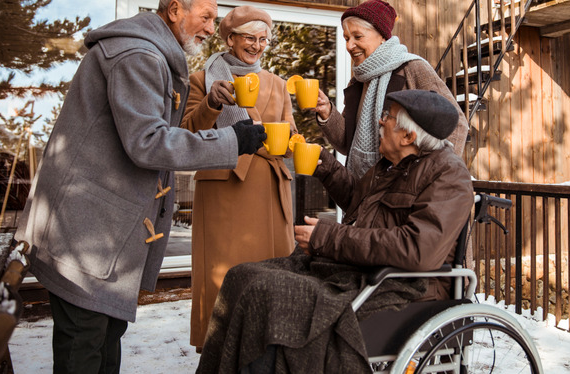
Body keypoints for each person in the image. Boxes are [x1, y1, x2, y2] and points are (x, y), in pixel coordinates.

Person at [14, 0, 267, 374]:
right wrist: (232, 142)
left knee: (103, 340)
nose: (210, 26)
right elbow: (148, 142)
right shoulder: (139, 56)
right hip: (87, 236)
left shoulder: (150, 53)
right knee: (86, 345)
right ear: (174, 9)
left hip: (100, 235)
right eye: (205, 16)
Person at [197, 90, 474, 374]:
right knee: (241, 276)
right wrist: (326, 166)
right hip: (360, 271)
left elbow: (419, 249)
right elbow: (359, 201)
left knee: (268, 294)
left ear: (408, 136)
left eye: (387, 117)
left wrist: (328, 238)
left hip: (403, 287)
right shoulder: (391, 166)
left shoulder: (448, 174)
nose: (380, 122)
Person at [181, 5, 297, 351]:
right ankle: (220, 350)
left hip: (268, 190)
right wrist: (211, 105)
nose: (257, 45)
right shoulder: (202, 80)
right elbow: (185, 133)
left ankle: (267, 349)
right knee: (224, 276)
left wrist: (294, 142)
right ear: (230, 39)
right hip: (224, 190)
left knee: (270, 274)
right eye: (250, 37)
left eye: (263, 39)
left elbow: (289, 141)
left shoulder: (277, 84)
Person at [313, 0, 469, 178]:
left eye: (358, 37)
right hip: (363, 191)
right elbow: (345, 143)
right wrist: (326, 112)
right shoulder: (358, 81)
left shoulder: (411, 68)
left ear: (382, 37)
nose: (349, 46)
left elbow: (457, 124)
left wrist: (429, 177)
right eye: (347, 38)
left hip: (402, 189)